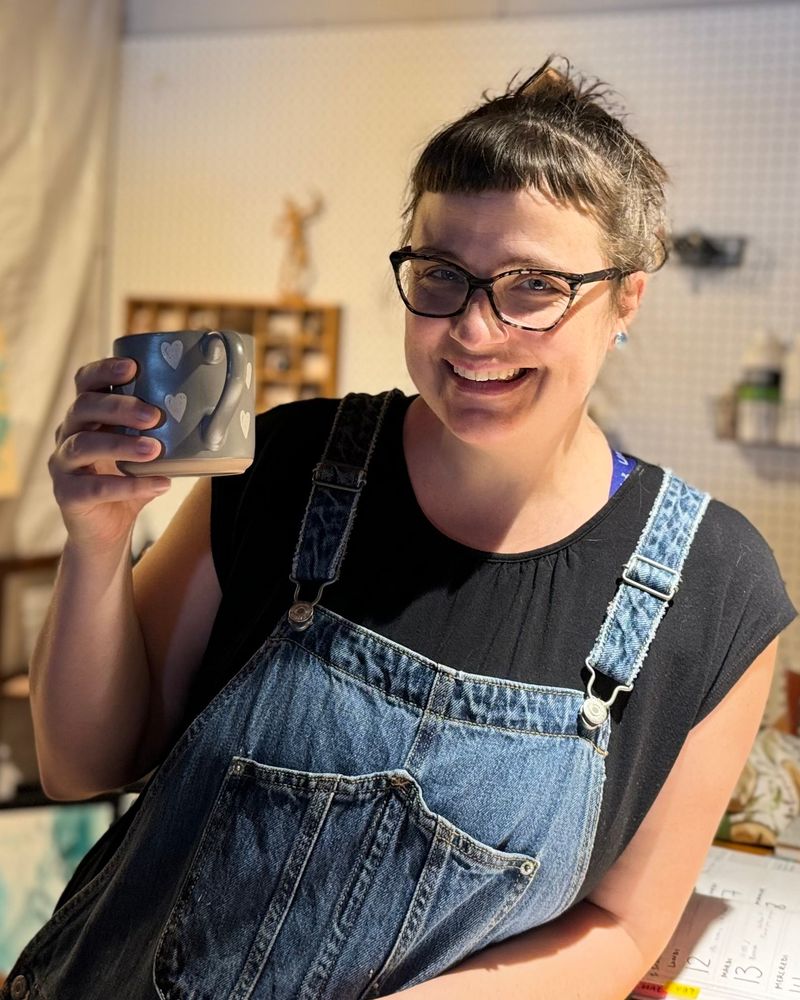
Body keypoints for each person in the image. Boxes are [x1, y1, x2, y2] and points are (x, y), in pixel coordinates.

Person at [4, 56, 795, 1000]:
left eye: (534, 286)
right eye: (442, 275)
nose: (474, 330)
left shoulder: (716, 588)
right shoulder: (285, 464)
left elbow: (622, 927)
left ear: (627, 298)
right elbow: (82, 761)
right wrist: (95, 542)